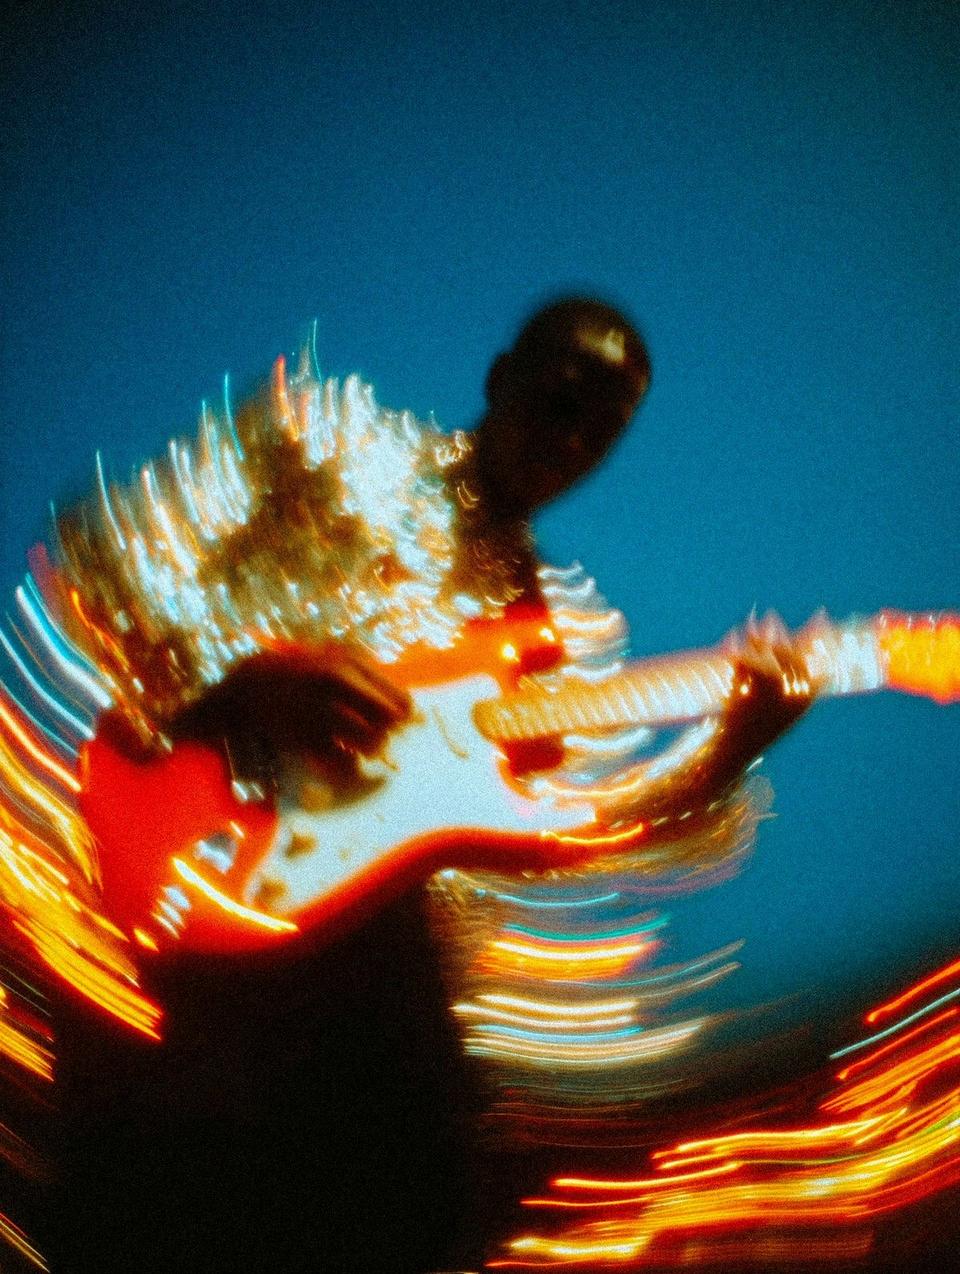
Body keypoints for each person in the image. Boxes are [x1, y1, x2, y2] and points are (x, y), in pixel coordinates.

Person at [35, 299, 814, 1273]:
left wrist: (730, 747)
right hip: (200, 879)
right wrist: (257, 679)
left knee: (422, 1201)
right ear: (500, 379)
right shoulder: (330, 448)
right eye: (561, 398)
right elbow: (104, 563)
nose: (573, 437)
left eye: (604, 426)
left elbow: (565, 833)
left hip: (367, 958)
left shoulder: (540, 635)